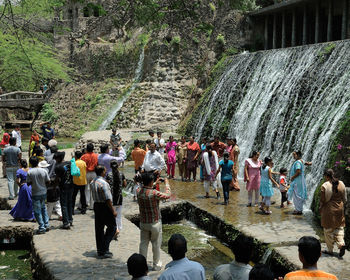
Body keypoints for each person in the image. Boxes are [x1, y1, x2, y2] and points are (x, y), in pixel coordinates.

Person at [137, 173, 171, 271]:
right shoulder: (155, 193)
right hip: (154, 223)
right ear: (151, 181)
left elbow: (147, 188)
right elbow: (167, 195)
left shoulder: (138, 191)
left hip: (143, 222)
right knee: (156, 244)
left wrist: (155, 182)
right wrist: (167, 184)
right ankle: (156, 265)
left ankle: (141, 265)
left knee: (143, 243)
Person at [91, 165, 117, 259]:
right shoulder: (104, 184)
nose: (106, 172)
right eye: (105, 171)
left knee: (99, 228)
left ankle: (100, 250)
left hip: (97, 205)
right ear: (102, 172)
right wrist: (113, 210)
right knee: (112, 227)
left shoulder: (92, 182)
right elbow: (108, 199)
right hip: (105, 207)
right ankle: (104, 248)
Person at [320, 169, 347, 257]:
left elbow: (323, 200)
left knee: (328, 230)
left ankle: (330, 250)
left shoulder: (325, 186)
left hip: (329, 210)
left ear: (326, 176)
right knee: (339, 228)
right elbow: (345, 198)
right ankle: (341, 244)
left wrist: (321, 208)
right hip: (339, 208)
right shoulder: (341, 183)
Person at [26, 156, 50, 234]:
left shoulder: (30, 172)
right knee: (43, 208)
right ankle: (46, 224)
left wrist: (34, 182)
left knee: (37, 211)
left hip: (35, 193)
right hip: (44, 192)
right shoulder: (43, 171)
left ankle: (42, 227)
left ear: (31, 163)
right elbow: (48, 181)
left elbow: (28, 183)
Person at [106, 160, 126, 239]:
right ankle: (118, 229)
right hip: (119, 198)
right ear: (118, 166)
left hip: (111, 198)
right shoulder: (121, 174)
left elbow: (107, 186)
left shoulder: (109, 175)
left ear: (110, 166)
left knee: (112, 215)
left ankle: (115, 229)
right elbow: (125, 184)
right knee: (119, 215)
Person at [288, 151, 312, 215]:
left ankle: (298, 210)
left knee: (296, 195)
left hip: (297, 181)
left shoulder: (297, 163)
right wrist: (309, 163)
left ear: (298, 155)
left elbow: (298, 172)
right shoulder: (301, 161)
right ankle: (299, 209)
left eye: (294, 155)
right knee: (300, 194)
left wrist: (292, 177)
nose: (293, 156)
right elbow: (306, 163)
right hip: (301, 180)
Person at [54, 151, 74, 229]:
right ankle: (70, 219)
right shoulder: (69, 163)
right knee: (69, 203)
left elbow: (57, 178)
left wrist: (54, 186)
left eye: (55, 159)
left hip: (63, 187)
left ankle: (66, 223)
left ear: (58, 158)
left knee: (64, 205)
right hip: (71, 185)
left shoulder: (58, 167)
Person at [81, 143, 98, 209]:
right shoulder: (96, 156)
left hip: (86, 173)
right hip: (94, 173)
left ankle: (86, 202)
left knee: (86, 189)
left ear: (87, 149)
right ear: (93, 149)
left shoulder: (83, 156)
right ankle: (92, 205)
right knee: (93, 189)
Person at [72, 151, 87, 215]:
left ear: (75, 156)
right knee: (83, 195)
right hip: (83, 181)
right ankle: (83, 209)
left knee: (73, 196)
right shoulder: (83, 162)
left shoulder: (74, 163)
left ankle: (71, 209)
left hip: (75, 181)